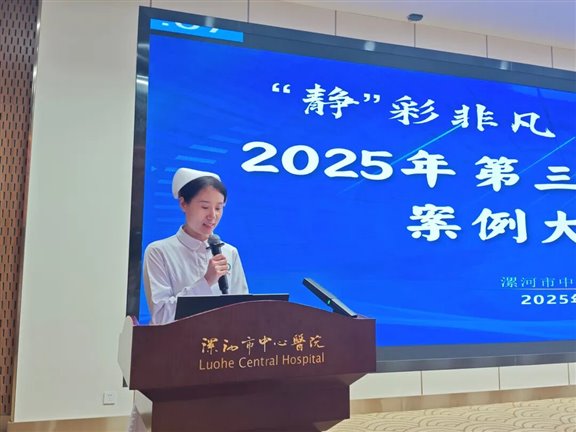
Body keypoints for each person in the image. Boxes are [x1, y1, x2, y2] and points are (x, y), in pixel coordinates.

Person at [127, 167, 249, 431]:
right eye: (205, 206)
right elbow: (161, 315)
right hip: (174, 365)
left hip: (221, 364)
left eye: (219, 208)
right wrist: (205, 281)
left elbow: (243, 309)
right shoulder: (159, 251)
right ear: (183, 203)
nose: (212, 216)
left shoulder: (229, 252)